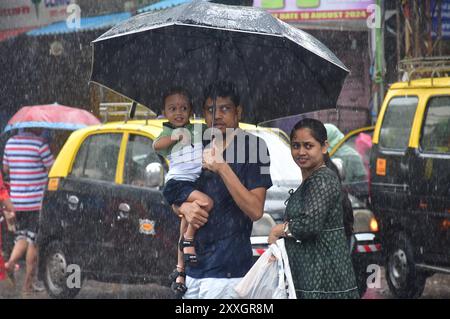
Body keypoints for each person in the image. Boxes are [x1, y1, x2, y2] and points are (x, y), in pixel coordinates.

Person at [174, 81, 273, 299]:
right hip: (192, 271)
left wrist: (221, 166)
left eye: (225, 109)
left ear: (239, 112)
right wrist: (183, 208)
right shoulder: (195, 144)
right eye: (210, 109)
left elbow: (255, 210)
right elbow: (175, 192)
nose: (216, 115)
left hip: (229, 274)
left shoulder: (254, 148)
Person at [269, 118, 359, 299]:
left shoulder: (322, 180)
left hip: (324, 279)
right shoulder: (313, 180)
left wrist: (279, 229)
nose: (301, 152)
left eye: (308, 146)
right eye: (296, 146)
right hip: (312, 273)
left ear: (324, 147)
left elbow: (309, 225)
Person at [153, 87, 213, 297]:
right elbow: (156, 145)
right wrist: (175, 137)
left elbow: (210, 138)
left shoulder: (197, 130)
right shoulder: (169, 131)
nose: (178, 112)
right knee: (206, 203)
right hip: (177, 184)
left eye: (183, 108)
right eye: (173, 109)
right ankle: (188, 239)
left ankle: (180, 267)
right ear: (164, 112)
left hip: (191, 184)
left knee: (186, 217)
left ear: (192, 111)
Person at [2, 128, 54, 294]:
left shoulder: (10, 143)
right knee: (34, 242)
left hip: (16, 202)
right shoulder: (40, 144)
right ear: (37, 128)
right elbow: (53, 169)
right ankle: (28, 286)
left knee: (22, 236)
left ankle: (10, 264)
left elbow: (5, 170)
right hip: (35, 203)